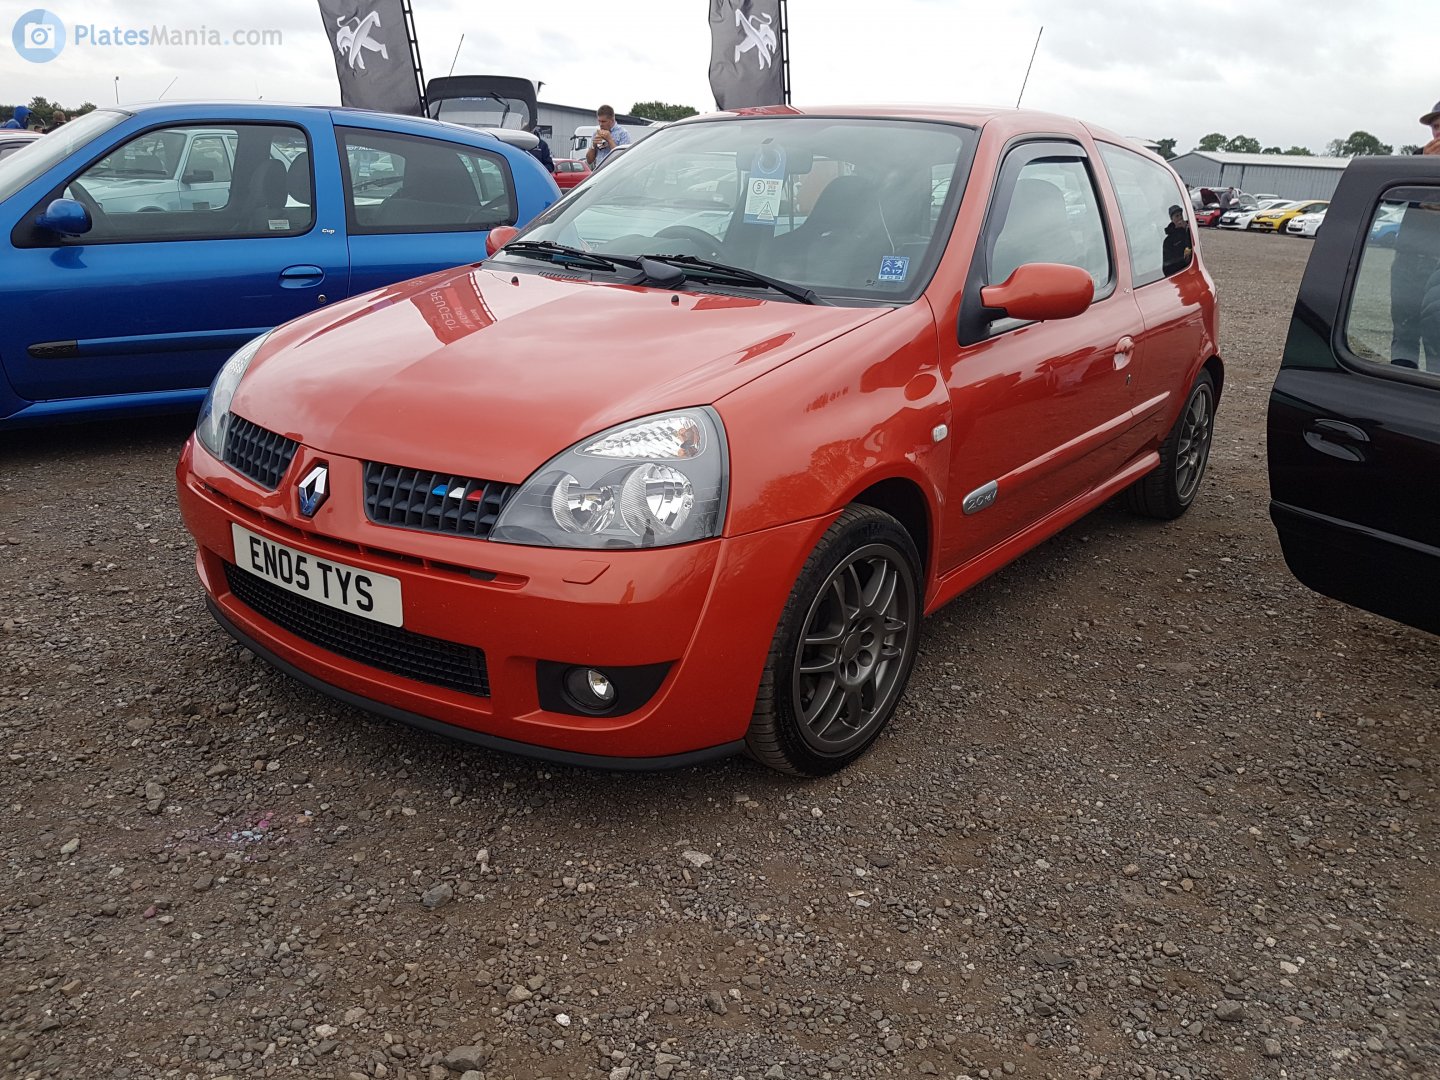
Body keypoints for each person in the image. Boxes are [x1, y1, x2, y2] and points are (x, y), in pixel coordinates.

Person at [1390, 99, 1440, 368]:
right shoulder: (1416, 157)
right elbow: (1393, 199)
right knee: (1404, 331)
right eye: (1435, 127)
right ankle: (1400, 388)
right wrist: (1427, 166)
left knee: (1438, 337)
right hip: (1409, 259)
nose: (1438, 132)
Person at [584, 104, 630, 170]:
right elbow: (589, 160)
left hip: (614, 171)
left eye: (603, 121)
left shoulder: (623, 133)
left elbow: (623, 158)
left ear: (612, 120)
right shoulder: (596, 133)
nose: (600, 124)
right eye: (599, 121)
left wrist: (609, 140)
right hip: (599, 172)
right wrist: (593, 145)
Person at [1162, 204, 1194, 277]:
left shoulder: (1188, 229)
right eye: (1177, 216)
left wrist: (1187, 230)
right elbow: (1167, 267)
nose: (1180, 218)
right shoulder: (1168, 241)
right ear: (1172, 219)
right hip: (1179, 273)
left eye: (1181, 215)